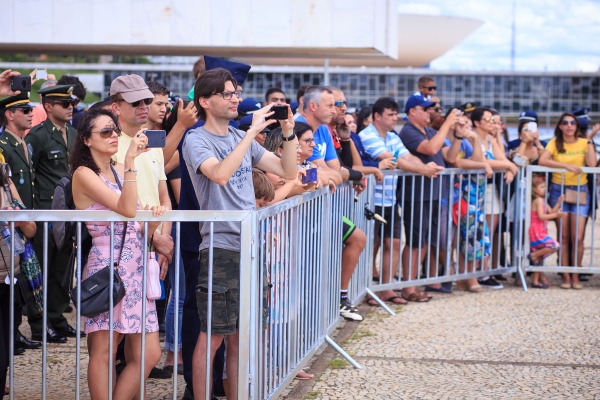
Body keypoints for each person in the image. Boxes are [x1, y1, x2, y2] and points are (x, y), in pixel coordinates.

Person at [182, 67, 298, 399]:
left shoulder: (237, 137)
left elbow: (286, 170)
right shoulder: (197, 139)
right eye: (228, 94)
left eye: (237, 92)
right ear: (205, 100)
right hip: (220, 247)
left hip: (251, 246)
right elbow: (219, 174)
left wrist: (287, 132)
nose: (236, 99)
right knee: (213, 334)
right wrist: (250, 133)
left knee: (241, 336)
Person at [70, 108, 165, 398]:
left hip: (134, 264)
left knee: (150, 353)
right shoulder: (84, 174)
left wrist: (152, 222)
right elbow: (125, 209)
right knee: (105, 350)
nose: (113, 136)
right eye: (105, 132)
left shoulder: (114, 169)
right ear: (87, 139)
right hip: (107, 264)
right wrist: (131, 161)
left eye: (114, 130)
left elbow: (132, 217)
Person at [359, 96, 443, 304]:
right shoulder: (367, 135)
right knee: (372, 245)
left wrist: (425, 165)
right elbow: (396, 160)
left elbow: (407, 157)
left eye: (396, 114)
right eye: (391, 114)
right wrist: (424, 169)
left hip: (389, 200)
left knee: (394, 243)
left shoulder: (393, 136)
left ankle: (387, 289)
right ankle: (367, 288)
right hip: (371, 200)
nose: (395, 118)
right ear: (377, 116)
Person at [25, 84, 81, 343]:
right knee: (42, 268)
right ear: (48, 107)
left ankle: (57, 317)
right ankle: (40, 324)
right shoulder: (37, 135)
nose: (71, 108)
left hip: (68, 211)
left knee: (62, 268)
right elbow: (30, 174)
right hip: (46, 212)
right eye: (65, 104)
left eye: (72, 104)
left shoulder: (73, 132)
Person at [0, 92, 44, 352]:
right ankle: (11, 335)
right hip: (10, 228)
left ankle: (13, 334)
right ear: (9, 114)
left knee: (18, 287)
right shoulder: (4, 144)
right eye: (24, 109)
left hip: (23, 223)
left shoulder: (22, 144)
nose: (30, 113)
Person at [539, 113, 597, 289]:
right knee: (563, 236)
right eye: (565, 123)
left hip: (580, 190)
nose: (569, 125)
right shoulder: (554, 142)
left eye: (573, 123)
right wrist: (564, 165)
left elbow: (592, 165)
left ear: (577, 126)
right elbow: (543, 160)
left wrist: (589, 141)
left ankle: (575, 274)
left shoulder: (584, 143)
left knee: (578, 237)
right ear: (560, 126)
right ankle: (565, 275)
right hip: (559, 190)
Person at [0, 164, 37, 400]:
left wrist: (18, 218)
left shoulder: (6, 181)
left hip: (8, 277)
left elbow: (31, 228)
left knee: (4, 351)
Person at [529, 176, 564, 289]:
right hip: (537, 231)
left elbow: (551, 211)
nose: (544, 189)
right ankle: (533, 255)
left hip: (541, 230)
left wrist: (558, 203)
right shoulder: (538, 200)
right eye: (541, 187)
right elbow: (542, 216)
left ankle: (535, 281)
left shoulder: (543, 200)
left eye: (545, 187)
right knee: (555, 245)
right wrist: (556, 215)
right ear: (534, 190)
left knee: (540, 257)